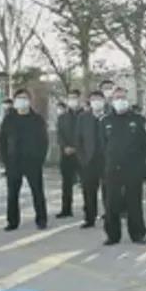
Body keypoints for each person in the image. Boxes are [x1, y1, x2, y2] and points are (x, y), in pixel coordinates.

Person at [101, 87, 146, 245]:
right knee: (111, 203)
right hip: (112, 168)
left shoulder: (138, 120)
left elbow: (144, 145)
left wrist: (142, 168)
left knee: (134, 202)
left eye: (123, 97)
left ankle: (138, 234)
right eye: (117, 98)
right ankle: (112, 235)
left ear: (128, 100)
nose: (120, 101)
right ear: (112, 101)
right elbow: (102, 145)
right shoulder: (105, 121)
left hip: (133, 167)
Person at [0, 89, 49, 231]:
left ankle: (41, 219)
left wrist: (40, 159)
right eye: (19, 98)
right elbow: (2, 141)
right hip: (13, 161)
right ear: (15, 100)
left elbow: (44, 141)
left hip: (32, 161)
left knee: (37, 192)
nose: (22, 100)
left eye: (25, 97)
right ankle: (12, 221)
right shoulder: (9, 119)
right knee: (12, 194)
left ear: (29, 100)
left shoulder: (37, 119)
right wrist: (5, 160)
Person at [76, 90, 107, 229]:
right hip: (88, 159)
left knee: (109, 190)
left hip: (106, 159)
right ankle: (89, 217)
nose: (96, 102)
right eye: (93, 99)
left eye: (99, 99)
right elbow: (78, 139)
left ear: (104, 101)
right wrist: (82, 157)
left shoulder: (109, 116)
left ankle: (110, 215)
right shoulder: (83, 117)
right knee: (88, 191)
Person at [57, 91, 84, 219]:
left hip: (82, 154)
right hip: (66, 154)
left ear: (80, 99)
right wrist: (65, 147)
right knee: (66, 184)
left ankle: (89, 209)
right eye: (70, 98)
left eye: (75, 98)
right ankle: (66, 209)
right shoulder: (62, 117)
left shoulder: (85, 116)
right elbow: (59, 135)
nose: (73, 100)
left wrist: (76, 148)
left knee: (86, 183)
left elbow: (87, 135)